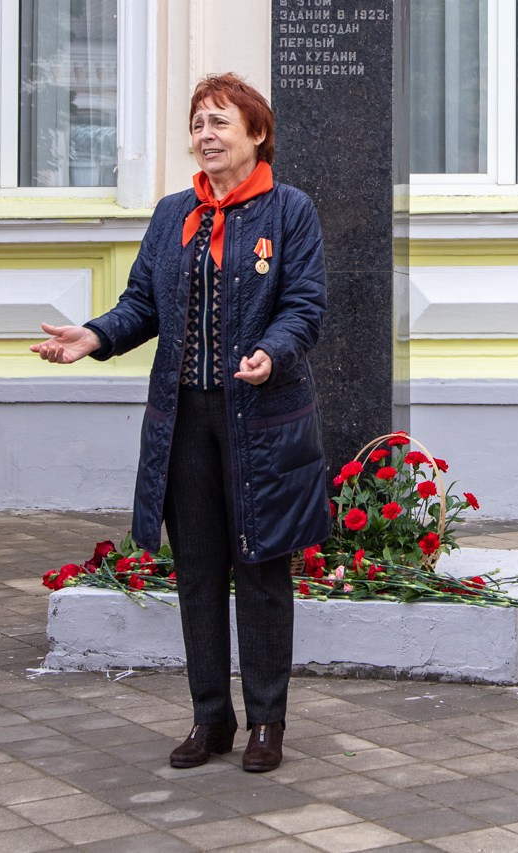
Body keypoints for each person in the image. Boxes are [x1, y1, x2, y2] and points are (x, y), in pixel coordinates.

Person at [32, 74, 327, 774]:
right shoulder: (173, 214)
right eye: (198, 122)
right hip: (183, 419)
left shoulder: (290, 211)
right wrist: (95, 336)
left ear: (257, 133)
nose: (206, 134)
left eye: (221, 121)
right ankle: (209, 716)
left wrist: (272, 351)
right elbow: (142, 303)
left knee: (260, 570)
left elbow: (306, 305)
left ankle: (266, 721)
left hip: (261, 419)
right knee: (195, 570)